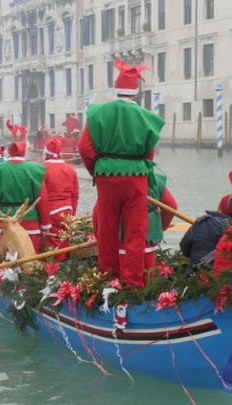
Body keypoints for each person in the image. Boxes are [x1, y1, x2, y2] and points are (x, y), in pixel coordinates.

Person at [78, 58, 164, 289]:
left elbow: (84, 148)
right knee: (136, 231)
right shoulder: (146, 116)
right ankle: (133, 282)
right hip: (136, 179)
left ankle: (110, 279)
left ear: (115, 88)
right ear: (136, 91)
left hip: (107, 178)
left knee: (106, 228)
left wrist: (98, 170)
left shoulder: (98, 113)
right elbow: (149, 154)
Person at [0, 120, 51, 253]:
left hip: (3, 221)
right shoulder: (35, 170)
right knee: (30, 262)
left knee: (3, 262)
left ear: (9, 152)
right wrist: (46, 223)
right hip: (29, 222)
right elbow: (42, 199)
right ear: (24, 152)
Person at [180, 169, 232, 269]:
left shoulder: (201, 222)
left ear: (222, 208)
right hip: (223, 279)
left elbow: (185, 247)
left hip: (195, 274)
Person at [40, 137, 79, 249]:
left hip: (51, 212)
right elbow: (75, 195)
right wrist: (72, 213)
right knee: (65, 243)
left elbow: (40, 195)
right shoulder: (71, 169)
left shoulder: (42, 169)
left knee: (53, 248)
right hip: (68, 210)